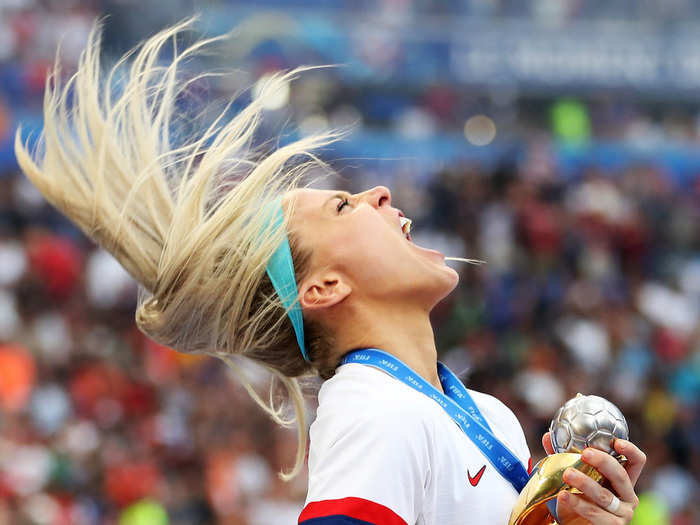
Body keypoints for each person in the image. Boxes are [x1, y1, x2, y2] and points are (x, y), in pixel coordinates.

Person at [14, 20, 646, 525]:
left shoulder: (487, 413)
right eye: (343, 206)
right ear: (323, 288)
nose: (375, 192)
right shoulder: (374, 411)